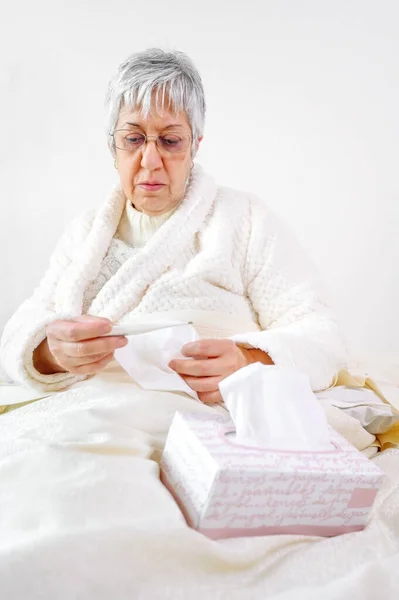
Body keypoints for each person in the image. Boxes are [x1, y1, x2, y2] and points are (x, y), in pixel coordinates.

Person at [0, 48, 345, 403]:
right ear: (112, 147)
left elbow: (322, 336)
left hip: (203, 415)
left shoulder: (245, 220)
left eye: (171, 141)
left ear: (195, 145)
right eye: (133, 140)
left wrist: (247, 359)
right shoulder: (84, 233)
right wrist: (51, 353)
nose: (150, 161)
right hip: (91, 411)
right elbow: (18, 334)